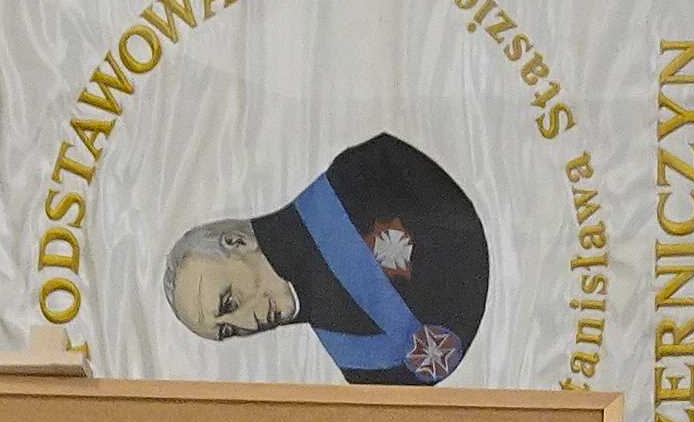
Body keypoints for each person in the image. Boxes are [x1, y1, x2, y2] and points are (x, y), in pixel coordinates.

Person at [160, 131, 490, 386]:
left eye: (230, 303)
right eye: (229, 331)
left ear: (237, 242)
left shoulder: (364, 175)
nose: (248, 325)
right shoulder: (354, 362)